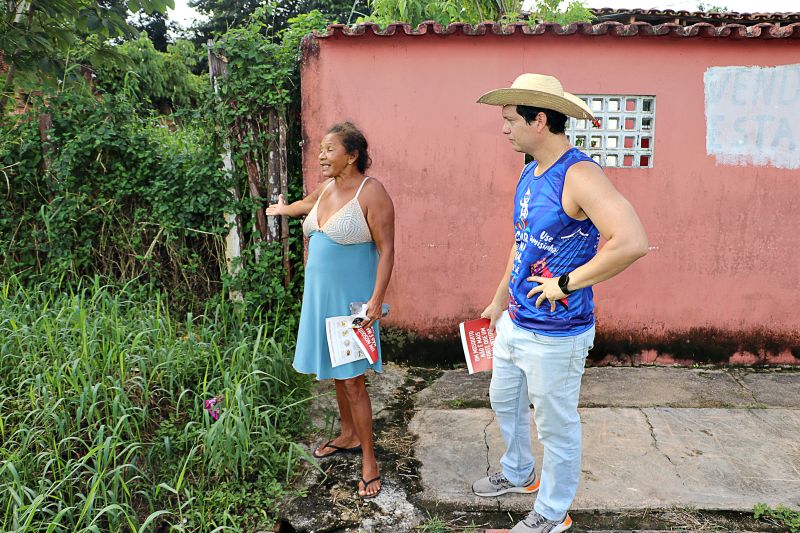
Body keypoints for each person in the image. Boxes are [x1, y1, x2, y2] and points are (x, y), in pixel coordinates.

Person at [472, 74, 648, 533]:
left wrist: (565, 284)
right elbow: (523, 242)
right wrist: (498, 302)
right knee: (504, 399)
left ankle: (552, 513)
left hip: (558, 331)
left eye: (510, 120)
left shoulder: (580, 174)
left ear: (540, 120)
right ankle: (518, 473)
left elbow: (631, 241)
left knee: (556, 426)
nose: (505, 129)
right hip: (516, 320)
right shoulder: (531, 172)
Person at [266, 121, 395, 499]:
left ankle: (369, 459)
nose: (321, 155)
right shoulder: (326, 189)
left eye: (329, 149)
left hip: (351, 307)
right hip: (319, 301)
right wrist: (282, 209)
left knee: (353, 380)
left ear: (352, 155)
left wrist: (376, 299)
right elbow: (306, 206)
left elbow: (387, 249)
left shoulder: (372, 194)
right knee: (338, 376)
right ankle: (349, 434)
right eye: (320, 149)